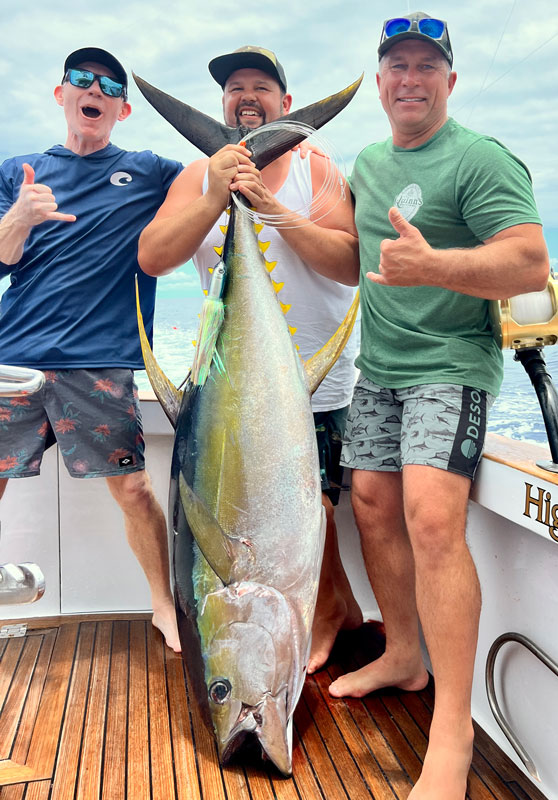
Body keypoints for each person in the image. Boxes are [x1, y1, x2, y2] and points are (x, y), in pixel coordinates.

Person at [328, 13, 549, 800]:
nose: (411, 79)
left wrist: (436, 267)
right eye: (397, 66)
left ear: (449, 82)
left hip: (451, 367)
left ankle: (452, 729)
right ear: (381, 81)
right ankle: (402, 655)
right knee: (371, 504)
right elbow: (356, 261)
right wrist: (278, 215)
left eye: (427, 66)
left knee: (429, 517)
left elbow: (528, 264)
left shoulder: (480, 158)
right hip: (378, 368)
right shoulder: (367, 160)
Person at [137, 45, 363, 671]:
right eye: (235, 88)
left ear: (286, 105)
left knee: (313, 507)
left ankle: (329, 609)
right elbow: (152, 256)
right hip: (231, 385)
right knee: (273, 507)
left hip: (314, 377)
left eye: (261, 87)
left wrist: (268, 205)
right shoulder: (196, 175)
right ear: (222, 104)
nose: (247, 97)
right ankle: (333, 608)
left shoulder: (318, 168)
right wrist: (216, 192)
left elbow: (348, 264)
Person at [0, 47, 183, 652]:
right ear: (61, 95)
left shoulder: (150, 170)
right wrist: (21, 216)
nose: (94, 89)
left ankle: (164, 605)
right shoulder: (17, 171)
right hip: (15, 359)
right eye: (81, 79)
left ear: (123, 109)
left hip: (100, 362)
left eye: (108, 85)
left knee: (133, 489)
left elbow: (213, 185)